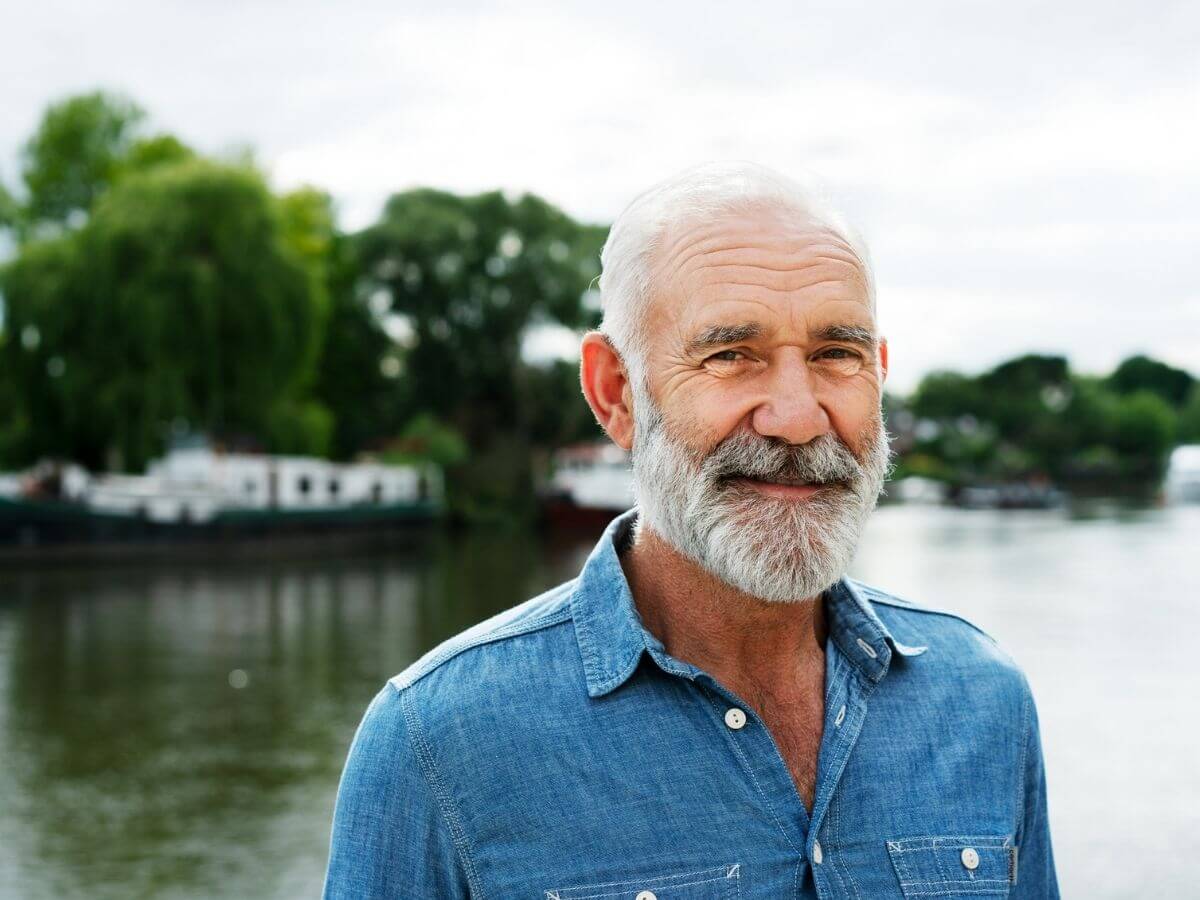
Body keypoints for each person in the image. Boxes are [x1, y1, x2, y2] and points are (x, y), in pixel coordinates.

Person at [323, 162, 1058, 898]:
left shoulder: (982, 699)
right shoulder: (437, 741)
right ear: (616, 394)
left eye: (838, 355)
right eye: (731, 355)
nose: (798, 418)